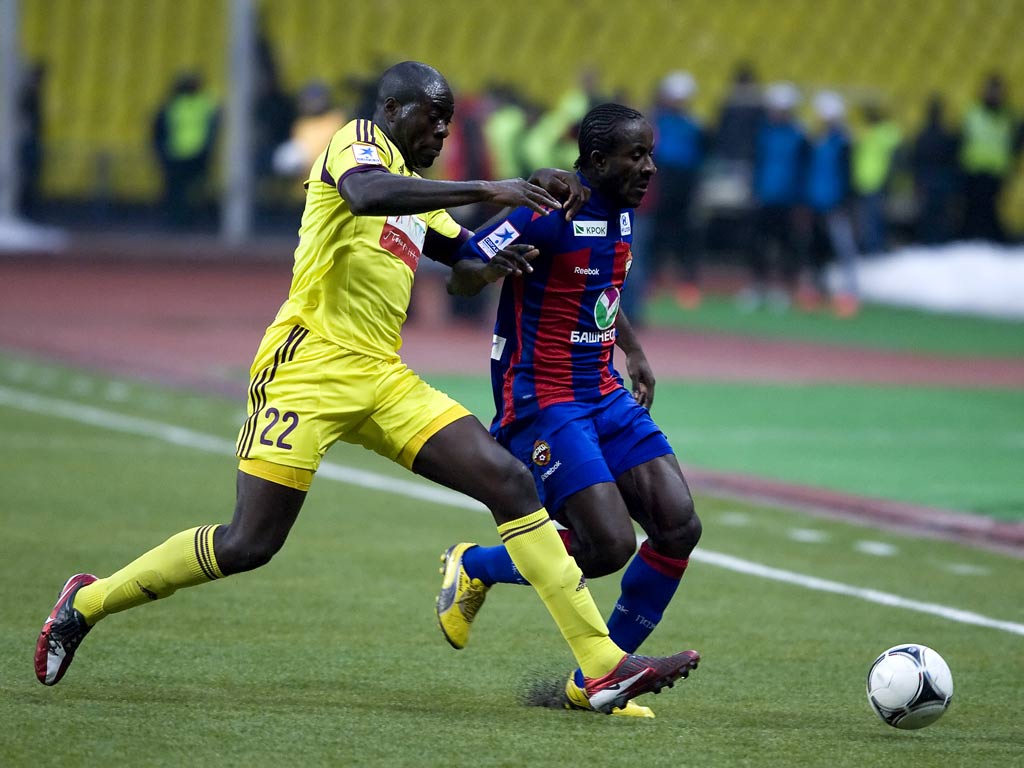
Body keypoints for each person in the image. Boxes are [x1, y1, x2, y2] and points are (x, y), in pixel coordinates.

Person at [35, 62, 699, 716]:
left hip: (381, 376)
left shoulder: (418, 191)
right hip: (307, 371)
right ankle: (86, 603)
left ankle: (602, 666)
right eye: (430, 116)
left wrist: (507, 244)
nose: (440, 130)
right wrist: (497, 187)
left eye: (448, 119)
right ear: (391, 111)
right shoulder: (358, 146)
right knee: (249, 544)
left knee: (508, 481)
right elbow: (367, 195)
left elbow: (466, 258)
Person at [437, 103, 702, 717]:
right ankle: (473, 565)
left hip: (603, 390)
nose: (649, 168)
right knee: (607, 546)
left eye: (650, 154)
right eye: (636, 156)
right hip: (543, 398)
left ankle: (599, 681)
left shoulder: (622, 214)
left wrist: (632, 351)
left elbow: (600, 290)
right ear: (598, 160)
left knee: (678, 526)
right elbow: (464, 271)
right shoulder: (549, 208)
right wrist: (486, 270)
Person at [738, 82, 807, 312]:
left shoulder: (799, 136)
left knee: (785, 246)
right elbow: (755, 164)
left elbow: (802, 170)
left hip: (787, 200)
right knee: (757, 244)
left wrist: (800, 200)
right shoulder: (762, 133)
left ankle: (783, 289)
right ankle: (758, 286)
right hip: (763, 198)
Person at [648, 72, 707, 309]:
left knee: (686, 235)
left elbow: (701, 156)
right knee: (658, 232)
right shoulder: (656, 120)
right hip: (662, 180)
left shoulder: (694, 125)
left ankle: (687, 283)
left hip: (686, 184)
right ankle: (653, 278)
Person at [798, 90, 859, 317]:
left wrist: (846, 201)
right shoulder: (814, 141)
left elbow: (848, 174)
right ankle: (815, 288)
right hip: (815, 201)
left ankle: (849, 291)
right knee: (814, 248)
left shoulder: (843, 141)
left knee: (843, 247)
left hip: (835, 202)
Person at [958, 73, 1023, 243]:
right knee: (975, 209)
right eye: (990, 90)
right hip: (974, 170)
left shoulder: (1009, 116)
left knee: (990, 209)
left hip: (997, 171)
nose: (993, 94)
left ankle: (991, 242)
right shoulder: (973, 114)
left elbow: (1015, 143)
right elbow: (962, 140)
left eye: (996, 91)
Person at [152, 72, 219, 227]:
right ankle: (181, 222)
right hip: (189, 156)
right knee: (184, 193)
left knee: (185, 193)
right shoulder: (204, 103)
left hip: (183, 156)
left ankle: (183, 222)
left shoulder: (173, 105)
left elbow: (158, 130)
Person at [852, 103, 902, 255]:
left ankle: (875, 247)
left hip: (876, 181)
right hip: (866, 181)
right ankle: (873, 246)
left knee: (874, 217)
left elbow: (896, 142)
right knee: (870, 218)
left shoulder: (883, 133)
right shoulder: (870, 134)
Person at [911, 95, 960, 245]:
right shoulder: (947, 135)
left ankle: (930, 242)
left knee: (930, 215)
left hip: (929, 180)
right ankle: (938, 242)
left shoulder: (922, 136)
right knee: (939, 215)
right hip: (941, 180)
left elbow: (915, 161)